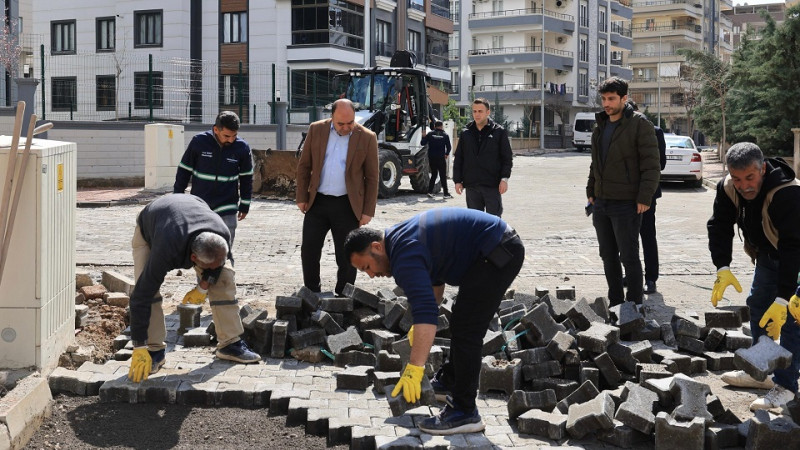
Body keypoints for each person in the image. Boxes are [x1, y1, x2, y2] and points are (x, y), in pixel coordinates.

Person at [344, 208, 524, 435]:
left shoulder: (402, 256)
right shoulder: (399, 239)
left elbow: (426, 311)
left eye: (367, 267)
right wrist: (418, 328)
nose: (371, 275)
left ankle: (465, 412)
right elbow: (434, 285)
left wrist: (415, 368)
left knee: (468, 328)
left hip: (499, 250)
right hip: (494, 246)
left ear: (376, 247)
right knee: (462, 321)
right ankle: (450, 382)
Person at [127, 194, 260, 383]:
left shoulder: (221, 233)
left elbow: (218, 264)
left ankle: (230, 344)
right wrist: (138, 345)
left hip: (190, 213)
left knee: (224, 277)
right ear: (194, 259)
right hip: (151, 225)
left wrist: (203, 286)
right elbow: (141, 296)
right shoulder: (165, 249)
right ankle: (153, 350)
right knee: (148, 288)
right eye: (207, 267)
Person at [707, 142, 800, 410]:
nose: (744, 185)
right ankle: (762, 372)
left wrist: (784, 299)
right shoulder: (727, 188)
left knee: (793, 320)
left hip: (796, 260)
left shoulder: (787, 193)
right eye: (737, 178)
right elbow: (720, 225)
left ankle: (786, 386)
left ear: (762, 168)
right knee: (758, 305)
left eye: (750, 177)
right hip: (767, 256)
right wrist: (722, 266)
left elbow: (794, 246)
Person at [586, 77, 660, 306]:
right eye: (604, 99)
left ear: (624, 98)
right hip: (602, 202)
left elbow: (652, 164)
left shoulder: (640, 124)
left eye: (611, 99)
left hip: (627, 203)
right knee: (607, 256)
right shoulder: (601, 125)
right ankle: (616, 302)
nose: (606, 104)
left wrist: (644, 197)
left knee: (628, 256)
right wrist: (591, 189)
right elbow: (596, 162)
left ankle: (635, 304)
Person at [296, 98, 379, 295]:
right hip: (318, 202)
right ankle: (311, 292)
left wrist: (367, 211)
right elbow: (304, 165)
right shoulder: (316, 130)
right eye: (341, 123)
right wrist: (301, 196)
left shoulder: (367, 137)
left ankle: (344, 294)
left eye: (350, 123)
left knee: (347, 254)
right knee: (309, 249)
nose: (346, 127)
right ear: (331, 117)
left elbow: (372, 177)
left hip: (347, 205)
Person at [174, 111, 253, 249]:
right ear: (216, 129)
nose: (231, 140)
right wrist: (177, 198)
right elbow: (184, 171)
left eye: (234, 136)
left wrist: (245, 204)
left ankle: (222, 269)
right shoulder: (199, 142)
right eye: (227, 136)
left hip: (227, 206)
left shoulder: (242, 147)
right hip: (200, 206)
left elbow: (246, 177)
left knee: (225, 248)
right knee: (200, 248)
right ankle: (202, 271)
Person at [627, 100, 667, 294]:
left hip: (647, 194)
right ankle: (631, 274)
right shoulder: (620, 131)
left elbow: (661, 164)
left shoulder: (655, 131)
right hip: (624, 195)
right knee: (626, 237)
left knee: (647, 236)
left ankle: (651, 278)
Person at [452, 98, 513, 217]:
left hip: (492, 185)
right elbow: (459, 158)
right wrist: (457, 180)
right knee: (475, 222)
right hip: (471, 185)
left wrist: (504, 179)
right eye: (474, 111)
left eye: (480, 111)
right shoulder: (466, 133)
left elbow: (507, 158)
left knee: (493, 222)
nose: (477, 114)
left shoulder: (499, 132)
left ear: (488, 112)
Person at [421, 120, 453, 199]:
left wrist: (423, 136)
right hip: (441, 158)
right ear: (441, 126)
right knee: (442, 175)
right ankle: (446, 194)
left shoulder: (430, 134)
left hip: (432, 157)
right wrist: (446, 154)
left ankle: (430, 192)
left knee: (434, 174)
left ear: (435, 126)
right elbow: (449, 147)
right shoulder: (445, 135)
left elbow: (422, 143)